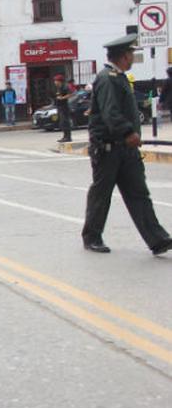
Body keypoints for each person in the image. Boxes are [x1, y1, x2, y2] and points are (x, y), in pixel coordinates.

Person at [81, 34, 172, 256]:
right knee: (101, 194)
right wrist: (128, 132)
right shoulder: (107, 78)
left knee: (139, 194)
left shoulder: (119, 77)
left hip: (126, 150)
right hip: (108, 148)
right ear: (123, 56)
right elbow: (110, 112)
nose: (132, 57)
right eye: (131, 53)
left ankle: (157, 239)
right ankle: (92, 237)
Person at [53, 74, 73, 143]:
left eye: (56, 81)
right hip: (59, 106)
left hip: (64, 106)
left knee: (65, 121)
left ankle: (68, 137)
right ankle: (65, 136)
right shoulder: (58, 87)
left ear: (59, 81)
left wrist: (62, 98)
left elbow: (70, 94)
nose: (55, 82)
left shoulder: (65, 86)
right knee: (62, 122)